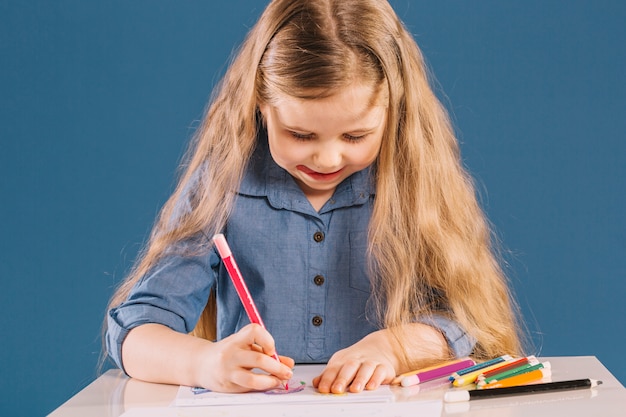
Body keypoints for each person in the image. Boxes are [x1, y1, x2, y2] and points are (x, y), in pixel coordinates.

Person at [105, 0, 524, 395]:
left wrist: (393, 349)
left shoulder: (413, 183)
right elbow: (133, 333)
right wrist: (205, 364)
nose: (327, 158)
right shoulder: (222, 185)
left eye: (356, 135)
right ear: (260, 106)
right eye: (300, 134)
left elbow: (467, 322)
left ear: (392, 112)